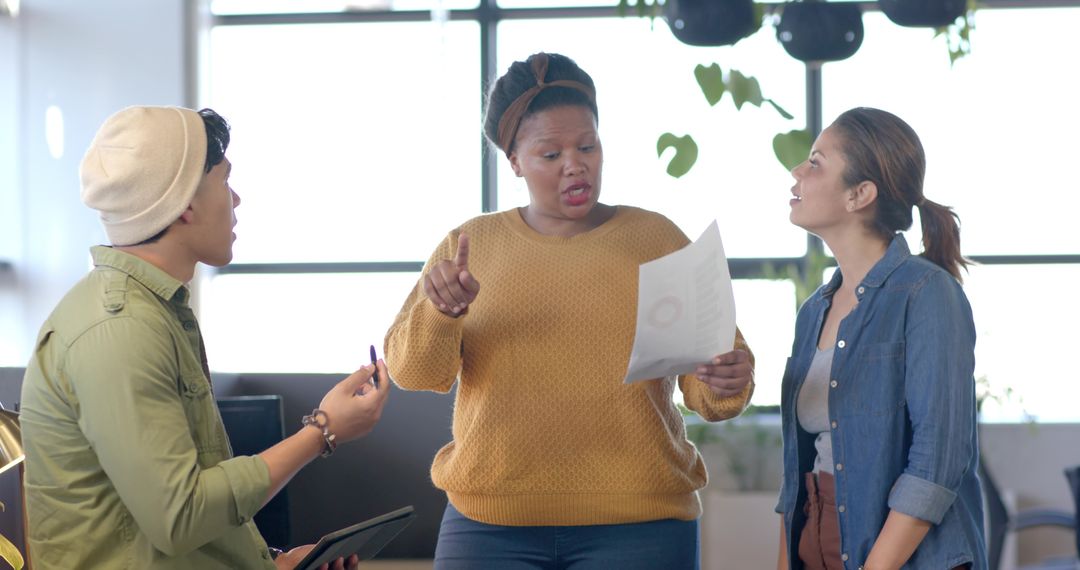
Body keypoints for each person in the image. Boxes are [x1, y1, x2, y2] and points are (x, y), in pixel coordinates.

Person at [384, 52, 755, 570]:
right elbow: (415, 373)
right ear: (514, 162)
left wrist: (725, 378)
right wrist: (441, 313)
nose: (575, 164)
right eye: (550, 154)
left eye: (587, 146)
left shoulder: (655, 238)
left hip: (640, 524)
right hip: (490, 525)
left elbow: (710, 389)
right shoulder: (472, 244)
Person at [19, 106, 390, 569]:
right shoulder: (120, 330)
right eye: (224, 180)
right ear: (185, 203)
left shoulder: (152, 311)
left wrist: (269, 563)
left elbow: (165, 516)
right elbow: (182, 516)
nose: (236, 200)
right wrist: (322, 431)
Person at [776, 107, 986, 570]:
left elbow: (936, 463)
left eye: (815, 162)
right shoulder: (813, 310)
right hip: (818, 542)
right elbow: (798, 469)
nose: (796, 172)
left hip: (901, 556)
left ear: (860, 194)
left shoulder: (927, 293)